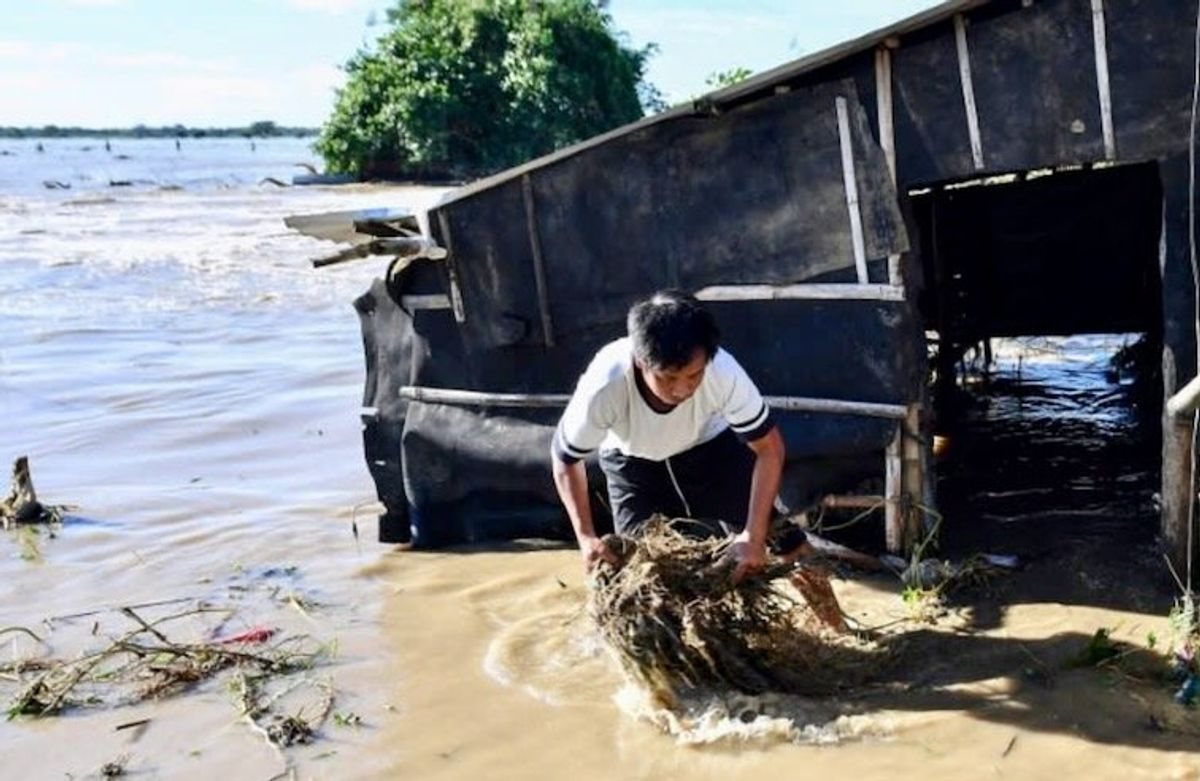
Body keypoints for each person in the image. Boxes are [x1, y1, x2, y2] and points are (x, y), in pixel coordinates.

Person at [551, 289, 805, 583]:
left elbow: (769, 449)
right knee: (639, 579)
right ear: (641, 362)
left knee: (792, 549)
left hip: (710, 451)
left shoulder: (722, 371)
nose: (683, 389)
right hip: (634, 467)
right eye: (669, 378)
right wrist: (585, 537)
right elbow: (566, 459)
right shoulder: (605, 385)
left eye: (694, 376)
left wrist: (753, 534)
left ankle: (839, 629)